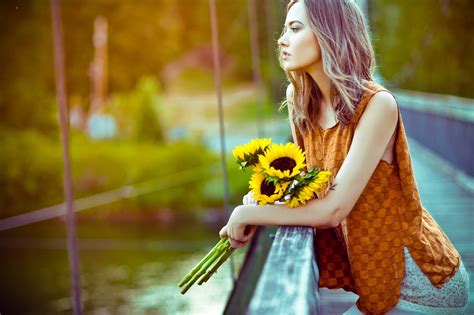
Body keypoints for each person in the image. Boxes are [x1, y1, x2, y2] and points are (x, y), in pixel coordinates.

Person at [219, 0, 469, 314]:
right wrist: (261, 200)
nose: (281, 39)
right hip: (377, 281)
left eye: (295, 29)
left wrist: (247, 215)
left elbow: (333, 208)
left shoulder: (377, 106)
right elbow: (305, 185)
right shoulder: (300, 101)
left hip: (426, 287)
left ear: (328, 35)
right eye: (285, 29)